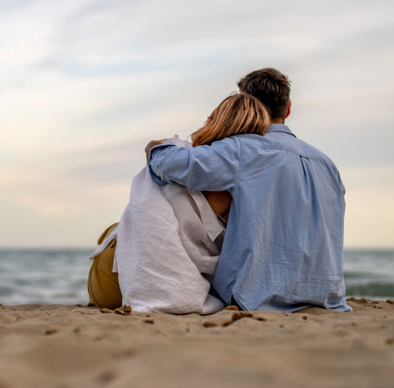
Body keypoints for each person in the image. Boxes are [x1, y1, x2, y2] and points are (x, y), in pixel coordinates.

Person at [146, 68, 351, 312]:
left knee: (158, 186)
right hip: (326, 299)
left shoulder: (242, 150)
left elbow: (171, 165)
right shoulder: (327, 164)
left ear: (249, 106)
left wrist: (156, 148)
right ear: (288, 109)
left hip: (255, 298)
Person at [87, 92, 271, 313]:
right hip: (182, 279)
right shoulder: (255, 183)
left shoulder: (183, 157)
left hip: (118, 277)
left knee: (115, 230)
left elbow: (153, 151)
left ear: (216, 121)